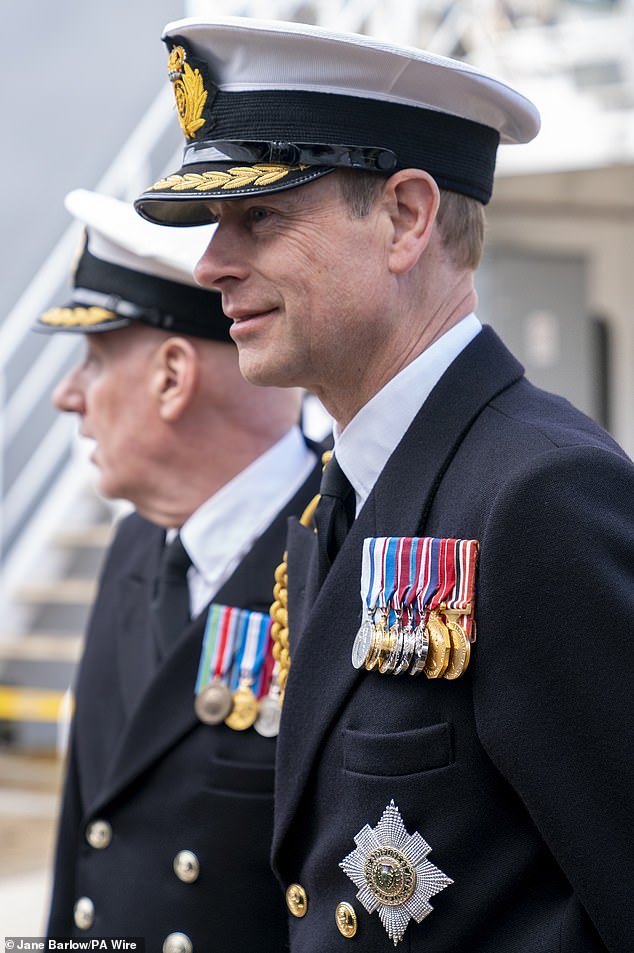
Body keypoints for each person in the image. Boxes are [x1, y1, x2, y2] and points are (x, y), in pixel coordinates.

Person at [134, 18, 634, 953]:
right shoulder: (340, 498)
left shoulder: (542, 495)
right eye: (214, 227)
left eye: (262, 216)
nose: (210, 266)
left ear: (406, 216)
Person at [39, 188, 324, 953]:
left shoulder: (342, 551)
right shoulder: (137, 545)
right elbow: (87, 840)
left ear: (172, 375)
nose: (69, 396)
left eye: (95, 360)